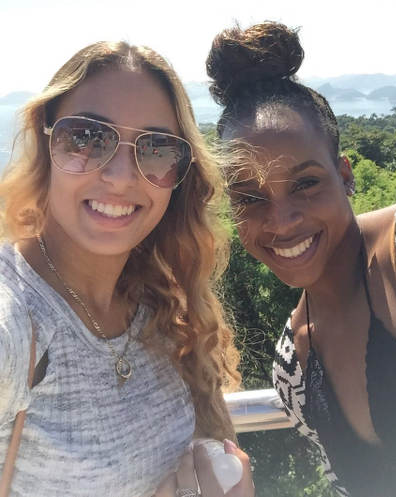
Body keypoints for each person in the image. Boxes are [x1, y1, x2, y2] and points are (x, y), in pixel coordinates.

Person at [206, 21, 396, 497]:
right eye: (250, 198)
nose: (281, 221)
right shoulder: (293, 366)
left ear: (344, 175)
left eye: (305, 183)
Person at [0, 40, 252, 497]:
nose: (120, 176)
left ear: (180, 176)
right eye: (86, 138)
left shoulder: (162, 307)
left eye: (157, 149)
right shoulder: (13, 322)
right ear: (45, 139)